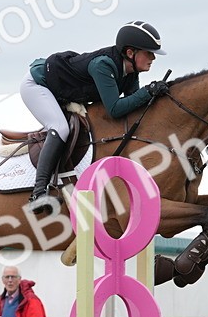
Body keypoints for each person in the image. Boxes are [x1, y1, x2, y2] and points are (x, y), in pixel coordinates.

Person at [20, 20, 169, 214]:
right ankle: (39, 193)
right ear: (131, 53)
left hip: (64, 90)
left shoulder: (130, 72)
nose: (153, 58)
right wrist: (149, 91)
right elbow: (115, 109)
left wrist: (154, 95)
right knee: (60, 127)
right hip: (38, 85)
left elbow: (132, 106)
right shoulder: (103, 65)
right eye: (148, 53)